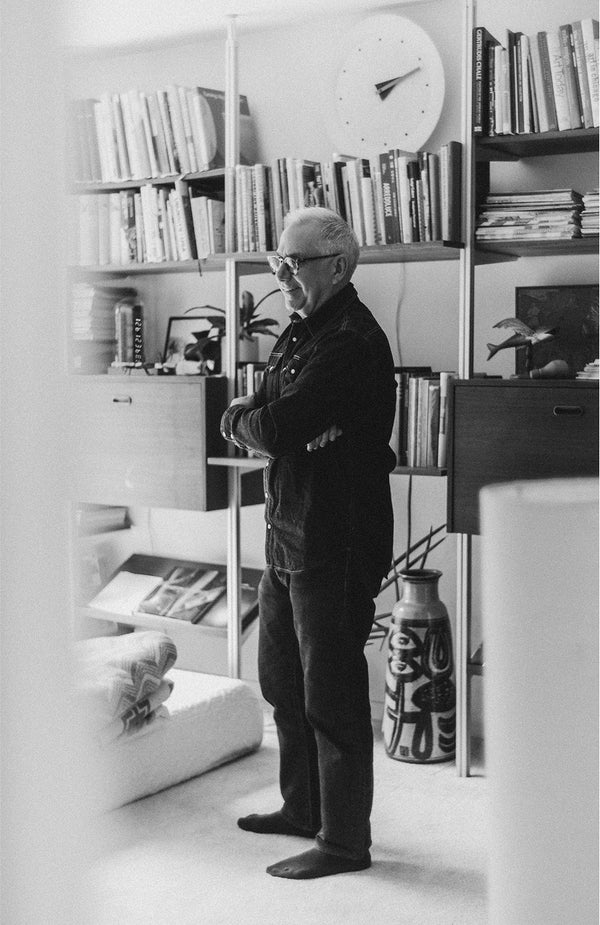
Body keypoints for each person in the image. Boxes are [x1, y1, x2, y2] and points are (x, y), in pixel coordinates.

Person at [220, 207, 397, 879]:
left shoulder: (350, 340)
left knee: (332, 694)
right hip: (287, 528)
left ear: (339, 266)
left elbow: (277, 421)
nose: (283, 278)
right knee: (282, 682)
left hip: (337, 537)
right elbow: (263, 418)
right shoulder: (300, 335)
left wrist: (273, 422)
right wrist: (260, 419)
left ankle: (345, 842)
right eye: (279, 265)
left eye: (295, 265)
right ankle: (303, 808)